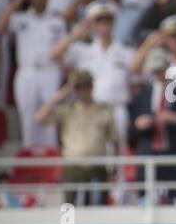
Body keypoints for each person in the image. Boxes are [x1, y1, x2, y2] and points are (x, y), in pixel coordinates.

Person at [51, 0, 136, 154]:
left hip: (117, 108)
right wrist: (75, 34)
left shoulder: (126, 51)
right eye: (99, 21)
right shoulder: (82, 50)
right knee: (91, 153)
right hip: (89, 109)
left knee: (118, 155)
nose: (104, 25)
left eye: (108, 20)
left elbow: (136, 81)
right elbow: (54, 55)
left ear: (115, 23)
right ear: (92, 24)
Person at [0, 0, 67, 148]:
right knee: (27, 116)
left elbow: (63, 50)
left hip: (50, 70)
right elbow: (0, 29)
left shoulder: (57, 20)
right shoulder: (20, 18)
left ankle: (50, 159)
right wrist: (18, 1)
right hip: (27, 70)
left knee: (50, 115)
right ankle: (29, 160)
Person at [35, 71, 118, 206]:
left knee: (100, 212)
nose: (82, 91)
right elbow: (39, 118)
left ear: (91, 87)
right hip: (73, 167)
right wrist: (60, 96)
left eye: (85, 87)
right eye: (78, 88)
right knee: (69, 210)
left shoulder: (104, 111)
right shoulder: (67, 110)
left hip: (97, 167)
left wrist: (113, 171)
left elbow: (114, 142)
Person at [128, 47, 176, 204]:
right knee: (146, 203)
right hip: (149, 156)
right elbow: (132, 130)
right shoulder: (142, 94)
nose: (157, 73)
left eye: (160, 69)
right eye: (154, 70)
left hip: (175, 155)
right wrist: (139, 124)